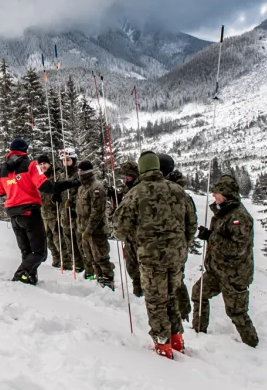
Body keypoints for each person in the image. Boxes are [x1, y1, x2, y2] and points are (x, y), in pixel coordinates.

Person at [113, 151, 190, 359]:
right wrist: (182, 247)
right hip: (176, 256)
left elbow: (119, 229)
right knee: (172, 296)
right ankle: (177, 340)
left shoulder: (135, 193)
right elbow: (190, 224)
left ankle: (162, 346)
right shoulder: (178, 191)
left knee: (156, 301)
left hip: (150, 257)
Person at [0, 138, 80, 284]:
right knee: (40, 253)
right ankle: (19, 275)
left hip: (14, 215)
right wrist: (71, 183)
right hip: (29, 213)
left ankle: (29, 278)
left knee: (27, 252)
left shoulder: (3, 169)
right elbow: (47, 187)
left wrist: (13, 183)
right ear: (25, 150)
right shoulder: (30, 165)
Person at [191, 174, 259, 347]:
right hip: (216, 270)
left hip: (234, 274)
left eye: (217, 192)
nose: (214, 195)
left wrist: (211, 237)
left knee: (237, 312)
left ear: (227, 194)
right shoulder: (223, 212)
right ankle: (198, 331)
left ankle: (251, 344)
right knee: (198, 293)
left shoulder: (239, 217)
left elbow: (237, 249)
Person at [159, 153, 197, 322]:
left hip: (173, 245)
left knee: (175, 281)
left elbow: (190, 223)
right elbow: (192, 224)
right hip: (176, 245)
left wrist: (184, 243)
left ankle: (182, 312)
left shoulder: (176, 192)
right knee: (175, 280)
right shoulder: (180, 192)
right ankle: (181, 311)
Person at [75, 160, 115, 289]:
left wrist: (89, 230)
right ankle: (99, 280)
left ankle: (108, 282)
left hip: (96, 230)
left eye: (81, 171)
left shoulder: (96, 188)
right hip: (83, 229)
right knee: (91, 257)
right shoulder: (81, 188)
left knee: (101, 258)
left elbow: (97, 212)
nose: (79, 173)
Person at [116, 160, 143, 297]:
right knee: (131, 265)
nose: (126, 178)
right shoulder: (127, 187)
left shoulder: (139, 188)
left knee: (141, 265)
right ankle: (137, 290)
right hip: (129, 235)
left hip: (140, 235)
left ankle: (143, 291)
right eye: (125, 176)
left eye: (129, 176)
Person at [57, 148, 85, 275]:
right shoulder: (61, 175)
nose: (65, 162)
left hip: (76, 212)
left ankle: (86, 264)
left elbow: (81, 193)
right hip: (64, 212)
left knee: (80, 241)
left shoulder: (78, 174)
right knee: (68, 241)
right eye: (63, 160)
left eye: (67, 160)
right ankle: (77, 264)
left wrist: (74, 207)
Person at [36, 154, 64, 269]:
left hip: (55, 213)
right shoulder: (38, 178)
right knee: (49, 240)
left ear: (49, 164)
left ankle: (65, 261)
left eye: (45, 164)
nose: (43, 166)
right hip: (44, 214)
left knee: (59, 239)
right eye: (41, 164)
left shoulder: (56, 176)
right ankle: (56, 260)